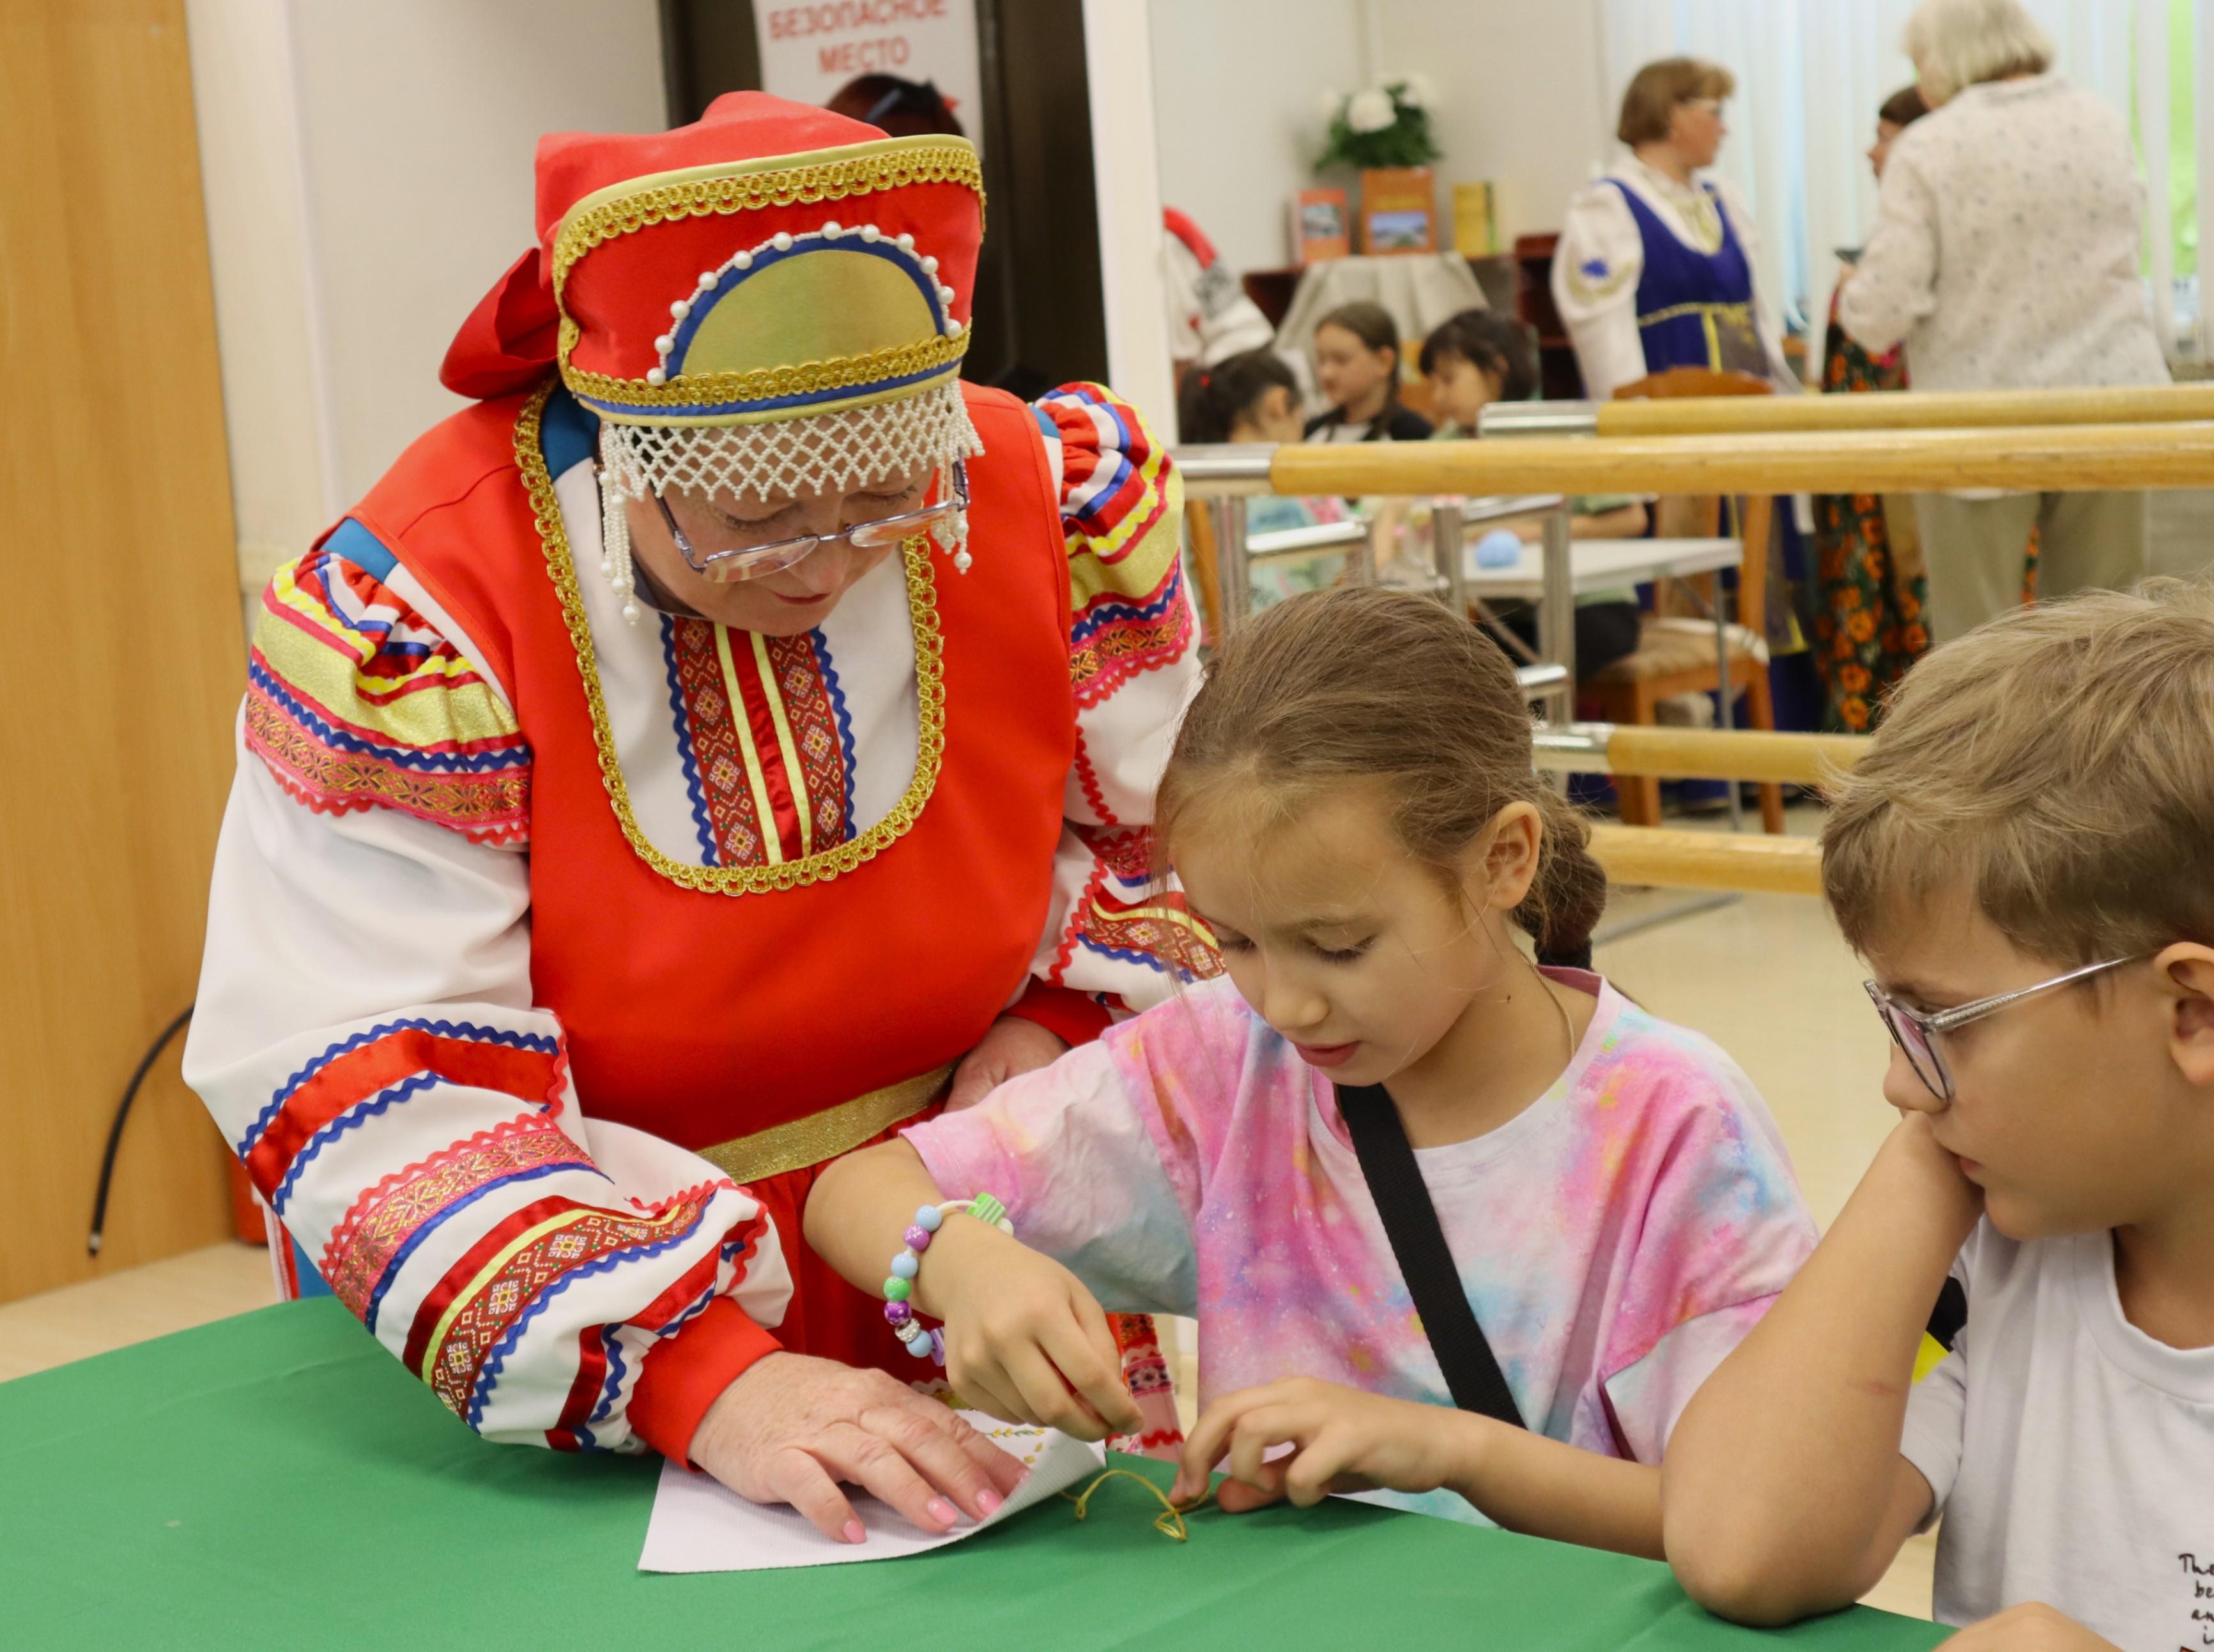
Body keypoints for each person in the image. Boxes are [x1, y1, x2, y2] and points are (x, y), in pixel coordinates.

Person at [181, 93, 1206, 1543]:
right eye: (755, 516)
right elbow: (366, 1062)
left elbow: (1173, 843)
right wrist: (703, 1377)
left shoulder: (1042, 497)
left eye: (884, 498)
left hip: (957, 1236)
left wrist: (1055, 1027)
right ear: (628, 448)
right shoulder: (428, 609)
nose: (823, 566)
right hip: (575, 1298)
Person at [804, 586, 1817, 1554]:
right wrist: (965, 1261)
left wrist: (1456, 1453)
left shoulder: (1675, 1122)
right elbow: (855, 1190)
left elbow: (1758, 1528)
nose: (1285, 1004)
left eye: (1338, 946)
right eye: (1236, 940)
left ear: (1504, 858)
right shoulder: (1221, 1062)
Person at [1663, 583, 2214, 1646]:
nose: (1899, 1084)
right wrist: (1927, 1159)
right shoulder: (1990, 1261)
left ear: (2191, 1011)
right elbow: (1744, 1547)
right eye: (1894, 1021)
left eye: (1942, 1022)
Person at [1838, 0, 2167, 645]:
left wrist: (1854, 293)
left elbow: (1880, 313)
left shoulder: (1931, 144)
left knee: (1976, 643)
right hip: (2111, 404)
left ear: (1945, 57)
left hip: (1980, 411)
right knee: (2104, 635)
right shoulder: (2099, 119)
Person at [1417, 309, 1647, 681]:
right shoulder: (1445, 445)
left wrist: (1528, 532)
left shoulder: (1559, 432)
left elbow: (1631, 518)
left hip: (1589, 605)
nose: (1439, 397)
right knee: (1449, 670)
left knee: (1519, 678)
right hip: (1506, 615)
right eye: (1433, 384)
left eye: (1449, 380)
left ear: (1496, 371)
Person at [1551, 57, 1796, 406]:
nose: (1724, 129)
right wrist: (1633, 424)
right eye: (1716, 113)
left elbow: (1761, 329)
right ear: (1672, 116)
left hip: (1747, 414)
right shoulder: (1608, 208)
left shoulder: (1723, 201)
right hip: (1669, 419)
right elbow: (1604, 344)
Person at [1178, 348, 1351, 606]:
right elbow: (1351, 575)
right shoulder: (1303, 488)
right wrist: (1391, 517)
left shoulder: (1191, 487)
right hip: (1295, 630)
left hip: (1212, 632)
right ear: (1279, 403)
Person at [1302, 301, 1434, 443]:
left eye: (1341, 360)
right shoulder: (1311, 431)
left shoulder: (1414, 435)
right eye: (1321, 360)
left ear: (1384, 361)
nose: (1326, 373)